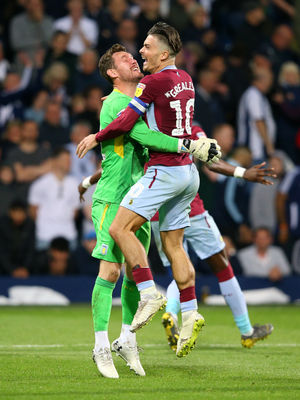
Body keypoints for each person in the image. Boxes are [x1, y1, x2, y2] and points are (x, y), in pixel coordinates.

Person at [76, 22, 221, 359]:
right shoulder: (184, 77)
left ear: (164, 53)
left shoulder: (151, 83)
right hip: (189, 173)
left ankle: (149, 294)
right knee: (174, 245)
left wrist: (96, 135)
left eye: (146, 47)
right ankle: (190, 313)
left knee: (118, 228)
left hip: (165, 170)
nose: (141, 53)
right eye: (135, 51)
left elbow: (131, 127)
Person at [151, 126, 274, 350]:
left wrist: (89, 182)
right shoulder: (192, 130)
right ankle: (247, 331)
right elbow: (211, 161)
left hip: (157, 213)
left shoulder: (151, 130)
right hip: (191, 208)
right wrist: (243, 172)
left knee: (179, 271)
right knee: (222, 266)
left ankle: (171, 314)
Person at [28, 147, 80, 251]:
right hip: (45, 235)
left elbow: (75, 211)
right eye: (65, 160)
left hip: (69, 235)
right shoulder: (40, 184)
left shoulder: (75, 184)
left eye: (70, 160)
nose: (69, 163)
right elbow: (33, 210)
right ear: (55, 161)